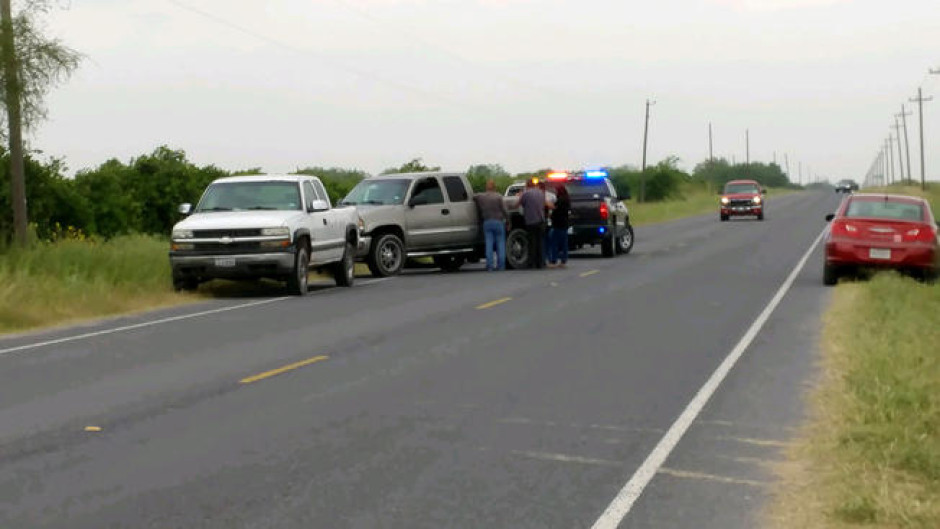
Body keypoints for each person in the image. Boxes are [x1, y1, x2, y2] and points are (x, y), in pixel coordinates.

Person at [515, 178, 553, 269]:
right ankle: (540, 263)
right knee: (540, 243)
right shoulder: (540, 193)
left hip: (531, 221)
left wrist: (520, 196)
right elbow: (544, 204)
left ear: (527, 185)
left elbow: (518, 204)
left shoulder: (526, 194)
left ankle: (531, 263)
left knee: (532, 243)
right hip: (541, 220)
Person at [473, 179, 509, 271]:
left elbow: (473, 196)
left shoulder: (481, 196)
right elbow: (505, 210)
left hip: (487, 222)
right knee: (500, 244)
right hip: (498, 222)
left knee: (489, 244)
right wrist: (508, 220)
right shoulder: (499, 197)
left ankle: (490, 266)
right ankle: (501, 266)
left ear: (486, 187)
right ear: (495, 187)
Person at [548, 184, 571, 268]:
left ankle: (553, 261)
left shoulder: (561, 200)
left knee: (554, 243)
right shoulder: (567, 199)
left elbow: (555, 208)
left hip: (557, 223)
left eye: (556, 190)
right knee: (564, 243)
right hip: (564, 223)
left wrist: (547, 203)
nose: (555, 192)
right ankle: (563, 261)